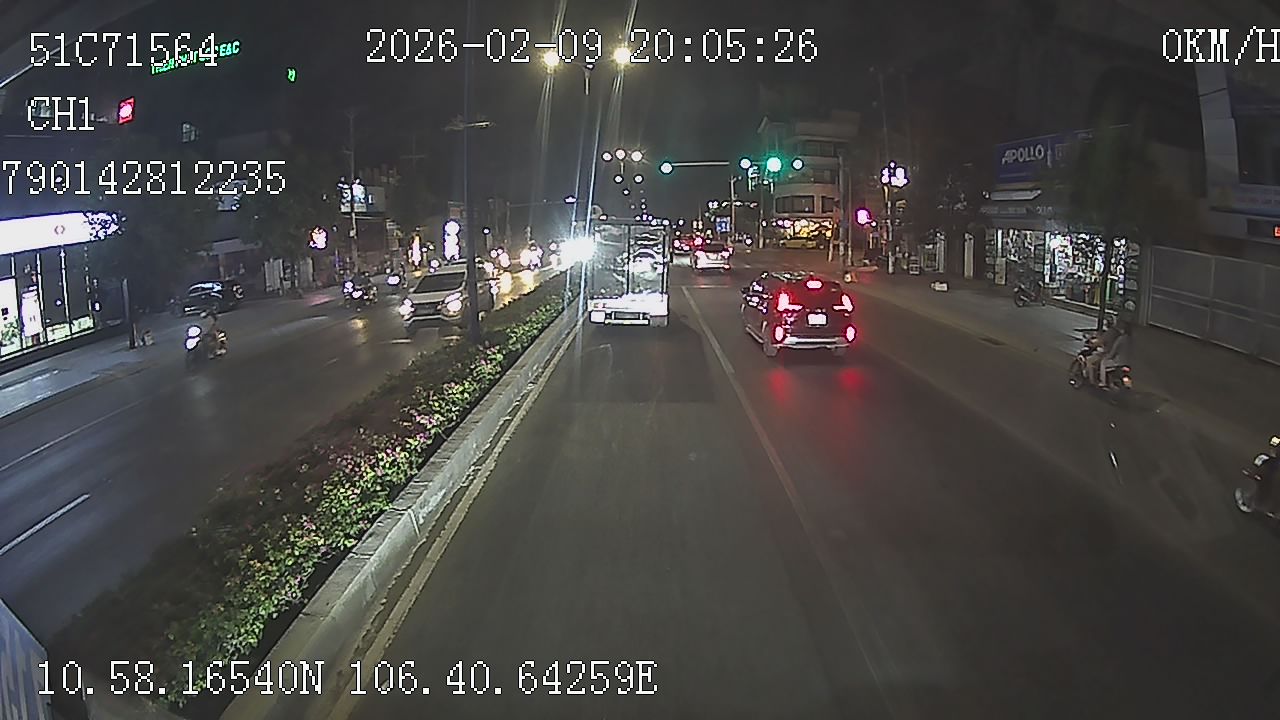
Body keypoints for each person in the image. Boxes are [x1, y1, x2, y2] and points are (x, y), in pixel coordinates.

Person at [1096, 320, 1131, 388]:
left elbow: (1114, 350)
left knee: (1103, 363)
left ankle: (1103, 382)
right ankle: (1128, 384)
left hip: (1118, 361)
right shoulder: (1130, 339)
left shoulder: (1120, 339)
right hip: (1127, 361)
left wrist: (1108, 357)